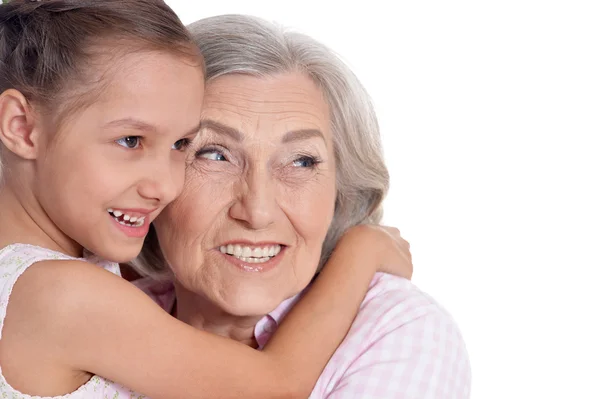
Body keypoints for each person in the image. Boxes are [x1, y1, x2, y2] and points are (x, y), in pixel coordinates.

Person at [0, 1, 413, 398]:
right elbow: (277, 383)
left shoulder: (57, 270)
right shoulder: (59, 293)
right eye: (130, 140)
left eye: (182, 144)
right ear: (21, 126)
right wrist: (361, 251)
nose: (164, 185)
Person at [132, 14, 472, 398]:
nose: (257, 211)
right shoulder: (105, 310)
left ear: (341, 192)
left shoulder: (399, 329)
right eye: (214, 154)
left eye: (301, 162)